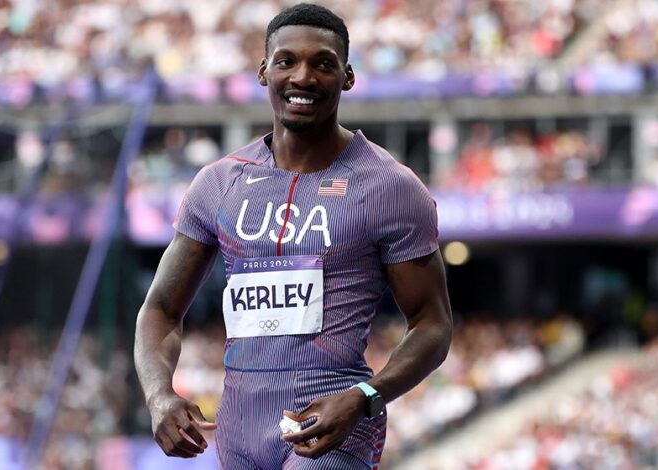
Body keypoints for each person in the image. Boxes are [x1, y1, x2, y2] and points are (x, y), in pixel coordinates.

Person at [134, 4, 453, 469]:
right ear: (264, 71)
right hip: (237, 432)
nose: (303, 77)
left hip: (333, 426)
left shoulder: (389, 187)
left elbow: (433, 325)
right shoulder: (219, 183)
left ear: (347, 77)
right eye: (286, 61)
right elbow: (160, 310)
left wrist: (365, 396)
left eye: (323, 64)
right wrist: (159, 395)